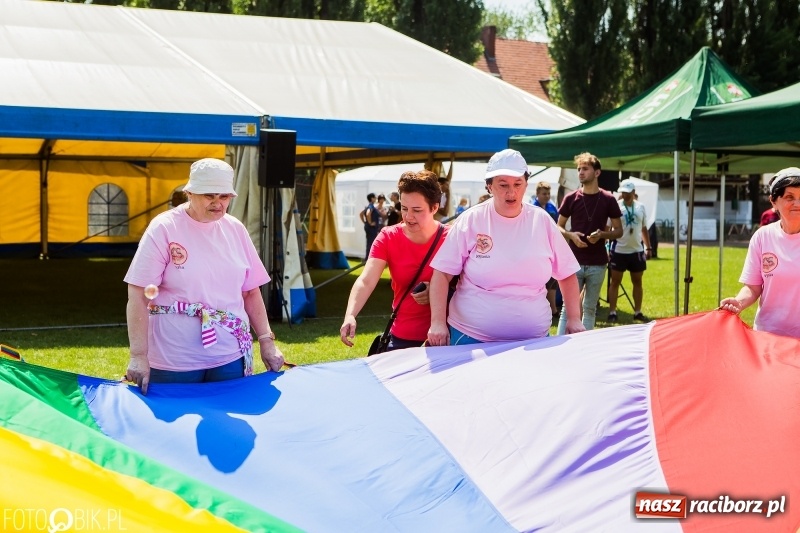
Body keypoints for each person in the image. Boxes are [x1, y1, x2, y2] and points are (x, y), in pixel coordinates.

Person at [124, 158, 285, 395]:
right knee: (175, 429)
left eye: (224, 196)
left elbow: (250, 291)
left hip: (229, 357)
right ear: (189, 193)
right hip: (174, 360)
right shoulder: (164, 228)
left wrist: (266, 341)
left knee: (230, 425)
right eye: (209, 195)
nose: (218, 203)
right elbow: (138, 295)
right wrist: (138, 355)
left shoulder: (235, 229)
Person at [427, 149, 584, 346]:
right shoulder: (472, 219)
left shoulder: (542, 221)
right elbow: (442, 274)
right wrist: (438, 323)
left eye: (518, 184)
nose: (511, 192)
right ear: (489, 186)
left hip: (533, 340)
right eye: (503, 185)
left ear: (526, 184)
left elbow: (567, 273)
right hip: (471, 338)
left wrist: (574, 319)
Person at [340, 171, 448, 351]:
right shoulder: (388, 237)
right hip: (402, 337)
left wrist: (438, 290)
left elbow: (468, 286)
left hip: (445, 337)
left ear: (434, 208)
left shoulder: (452, 238)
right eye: (404, 208)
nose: (408, 216)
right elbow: (366, 280)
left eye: (417, 210)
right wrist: (350, 315)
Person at [720, 167, 800, 338]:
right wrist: (738, 302)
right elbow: (753, 287)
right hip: (767, 336)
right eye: (789, 197)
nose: (797, 203)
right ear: (773, 202)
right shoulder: (763, 237)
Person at [556, 153, 623, 334]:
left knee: (590, 308)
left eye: (585, 169)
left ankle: (585, 349)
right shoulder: (571, 198)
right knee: (568, 309)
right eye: (579, 169)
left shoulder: (609, 199)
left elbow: (619, 231)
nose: (580, 172)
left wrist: (602, 235)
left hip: (598, 263)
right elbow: (558, 227)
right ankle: (558, 347)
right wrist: (571, 235)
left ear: (597, 172)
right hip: (574, 261)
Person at [607, 180, 652, 323]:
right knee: (615, 282)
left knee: (637, 282)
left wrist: (648, 247)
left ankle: (637, 311)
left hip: (636, 251)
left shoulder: (641, 207)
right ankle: (612, 311)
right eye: (623, 192)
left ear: (633, 192)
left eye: (627, 192)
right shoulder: (615, 207)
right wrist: (606, 248)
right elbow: (608, 228)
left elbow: (644, 228)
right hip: (619, 250)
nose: (625, 195)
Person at [531, 181, 561, 317]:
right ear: (537, 194)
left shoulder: (552, 207)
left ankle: (553, 309)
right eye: (544, 193)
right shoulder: (531, 208)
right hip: (535, 250)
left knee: (552, 279)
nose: (547, 196)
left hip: (550, 248)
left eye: (548, 193)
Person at [360, 193, 380, 260]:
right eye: (375, 197)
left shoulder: (368, 206)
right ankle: (368, 258)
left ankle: (368, 258)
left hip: (368, 227)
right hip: (371, 228)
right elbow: (368, 214)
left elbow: (361, 214)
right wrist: (370, 223)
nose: (376, 199)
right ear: (372, 198)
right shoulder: (371, 206)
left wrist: (365, 222)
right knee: (371, 242)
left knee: (369, 242)